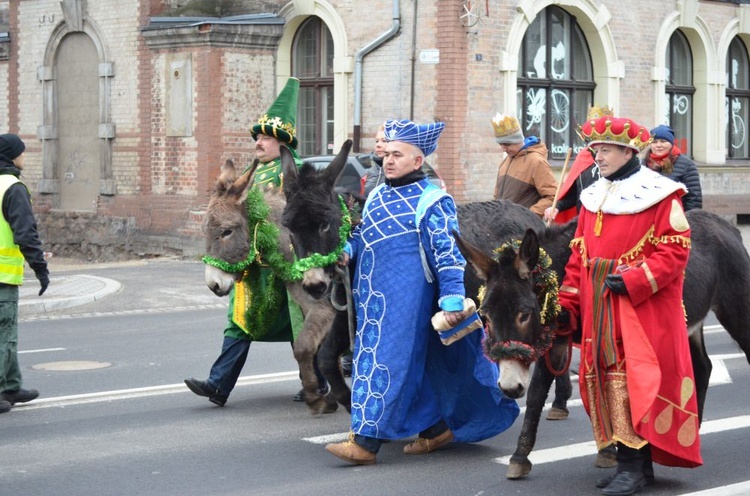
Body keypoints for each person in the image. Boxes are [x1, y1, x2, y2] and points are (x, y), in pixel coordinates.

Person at [325, 119, 519, 465]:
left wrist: (452, 300)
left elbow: (447, 254)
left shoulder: (432, 200)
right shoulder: (378, 194)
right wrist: (347, 251)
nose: (389, 161)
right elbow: (363, 236)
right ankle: (436, 428)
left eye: (398, 155)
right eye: (388, 154)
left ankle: (365, 443)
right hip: (371, 299)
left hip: (407, 303)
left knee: (382, 363)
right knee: (415, 364)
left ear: (418, 161)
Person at [557, 115, 702, 495]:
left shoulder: (661, 193)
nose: (597, 157)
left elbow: (675, 253)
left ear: (626, 150)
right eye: (594, 150)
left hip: (640, 309)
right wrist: (567, 301)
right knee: (606, 382)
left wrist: (635, 280)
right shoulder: (592, 196)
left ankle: (634, 466)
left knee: (632, 382)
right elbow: (579, 256)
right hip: (599, 307)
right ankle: (628, 460)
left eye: (603, 150)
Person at [184, 78, 326, 407]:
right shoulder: (250, 173)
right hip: (253, 267)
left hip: (289, 264)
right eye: (258, 137)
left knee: (300, 320)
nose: (259, 142)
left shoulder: (298, 172)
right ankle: (219, 385)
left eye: (265, 137)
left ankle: (316, 382)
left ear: (282, 144)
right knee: (239, 322)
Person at [0, 134, 49, 414]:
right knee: (4, 336)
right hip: (2, 278)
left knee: (6, 335)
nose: (25, 157)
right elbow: (25, 234)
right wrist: (40, 268)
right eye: (22, 152)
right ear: (11, 156)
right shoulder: (12, 187)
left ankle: (11, 385)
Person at [544, 105, 613, 224]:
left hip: (609, 222)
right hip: (583, 222)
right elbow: (574, 195)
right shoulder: (583, 157)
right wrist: (557, 207)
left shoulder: (617, 161)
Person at [491, 113, 558, 218]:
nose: (503, 148)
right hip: (503, 228)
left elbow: (553, 196)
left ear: (517, 140)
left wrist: (526, 216)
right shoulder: (505, 162)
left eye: (506, 144)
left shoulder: (536, 162)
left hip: (525, 230)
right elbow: (496, 196)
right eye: (500, 144)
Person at [640, 125, 702, 211]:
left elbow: (694, 199)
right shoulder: (642, 164)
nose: (658, 145)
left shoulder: (686, 164)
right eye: (654, 142)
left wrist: (685, 220)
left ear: (671, 143)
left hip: (675, 218)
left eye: (663, 141)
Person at [361, 124, 387, 197]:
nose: (378, 145)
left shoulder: (399, 172)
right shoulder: (369, 170)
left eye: (384, 141)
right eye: (377, 141)